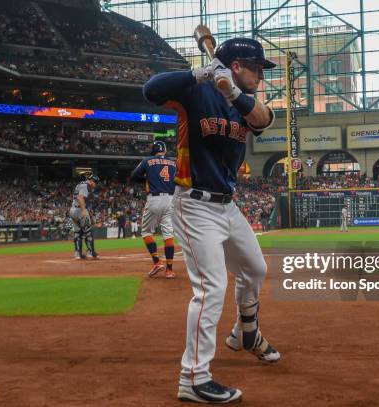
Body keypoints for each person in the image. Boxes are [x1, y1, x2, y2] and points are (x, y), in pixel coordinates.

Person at [143, 37, 280, 404]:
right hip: (194, 202)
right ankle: (194, 378)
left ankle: (245, 333)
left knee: (255, 269)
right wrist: (200, 73)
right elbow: (151, 89)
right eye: (256, 69)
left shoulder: (243, 103)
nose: (261, 77)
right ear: (237, 65)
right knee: (211, 289)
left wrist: (233, 91)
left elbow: (265, 120)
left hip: (227, 206)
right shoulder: (196, 91)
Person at [130, 140, 177, 278]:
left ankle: (157, 262)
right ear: (165, 150)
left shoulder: (147, 160)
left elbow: (134, 176)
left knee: (146, 232)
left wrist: (147, 178)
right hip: (170, 199)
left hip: (154, 199)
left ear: (154, 150)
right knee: (168, 234)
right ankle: (169, 270)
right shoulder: (174, 162)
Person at [69, 173, 99, 259]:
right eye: (95, 182)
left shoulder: (80, 184)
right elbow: (80, 197)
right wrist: (84, 210)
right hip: (79, 210)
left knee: (78, 232)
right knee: (88, 232)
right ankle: (90, 252)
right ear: (92, 181)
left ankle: (77, 254)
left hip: (73, 210)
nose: (95, 185)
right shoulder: (86, 185)